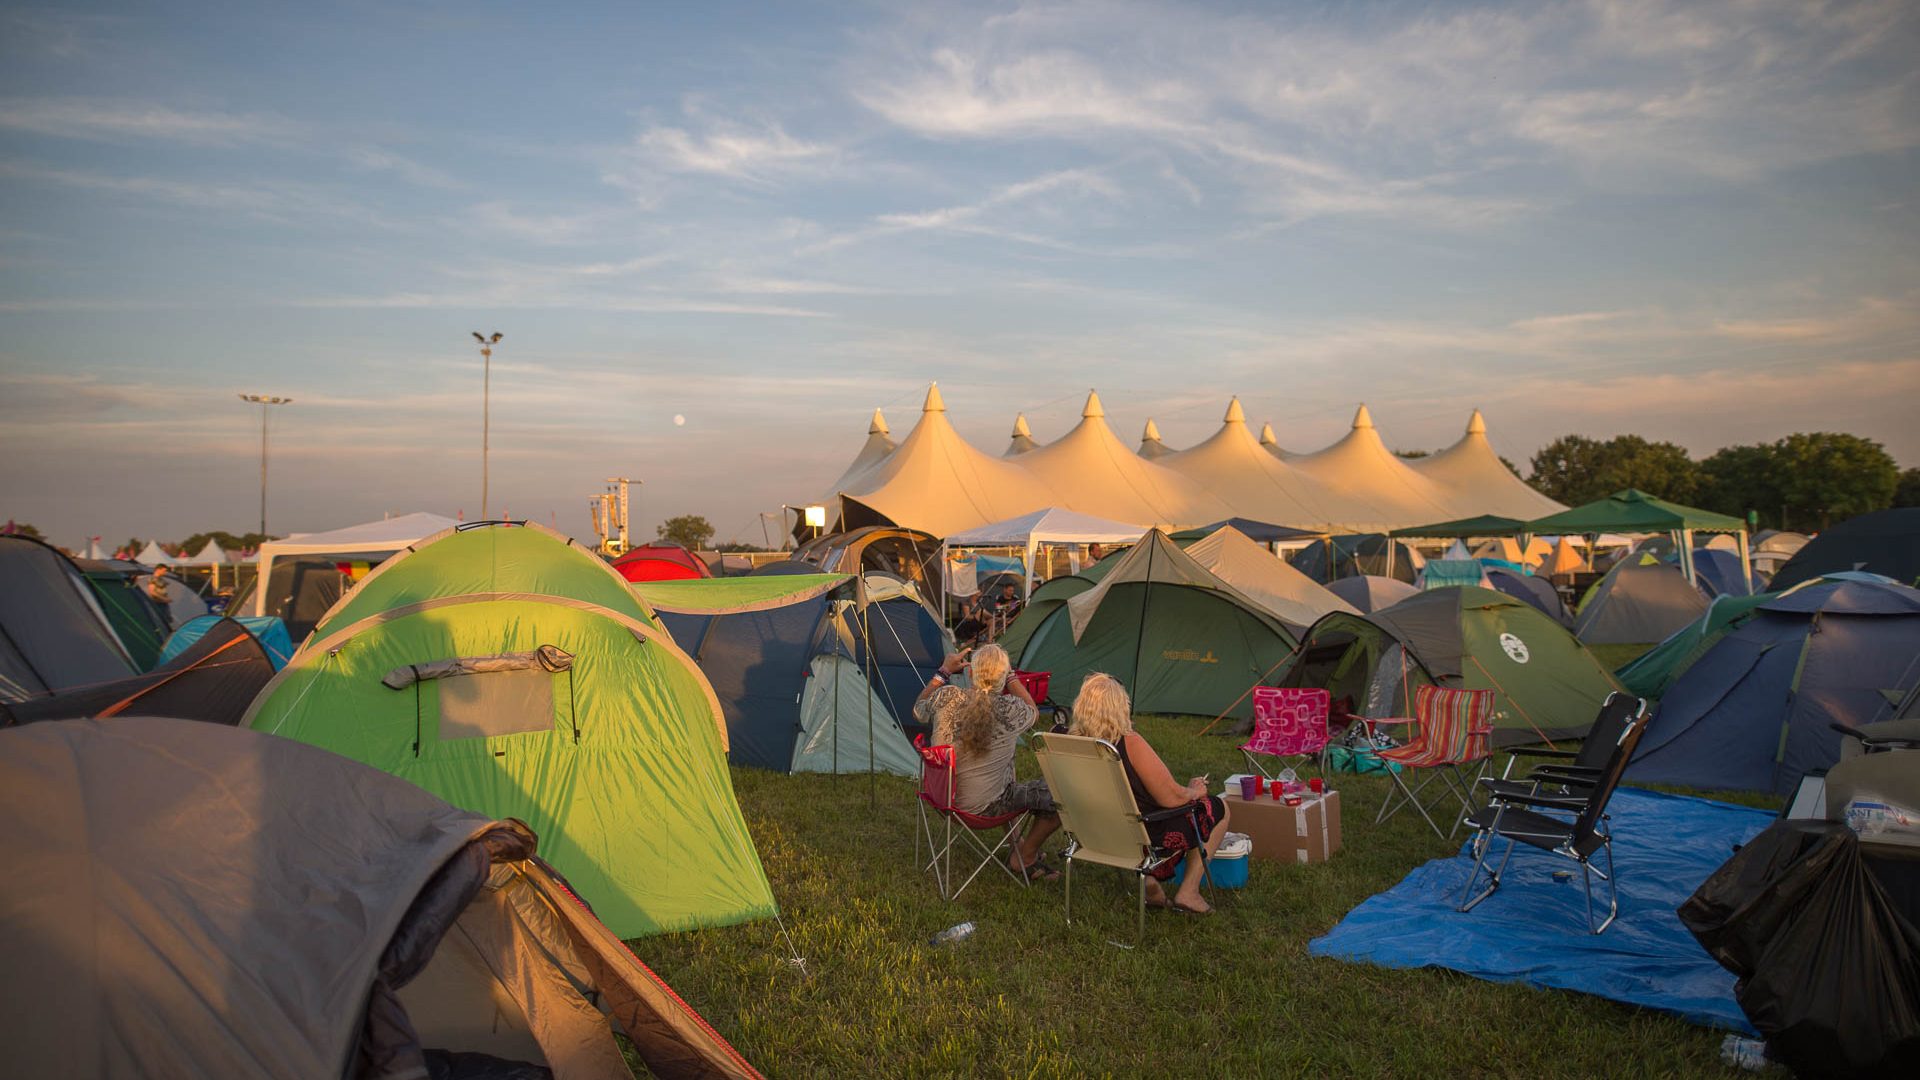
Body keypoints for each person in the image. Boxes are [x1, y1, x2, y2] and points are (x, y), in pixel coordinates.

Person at [1070, 673, 1228, 915]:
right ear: (1120, 707)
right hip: (1143, 835)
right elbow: (1171, 797)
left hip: (1097, 831)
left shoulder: (1070, 743)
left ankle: (1150, 882)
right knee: (1217, 807)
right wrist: (1194, 790)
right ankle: (1188, 892)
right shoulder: (1128, 742)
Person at [912, 643, 1061, 880]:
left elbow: (919, 710)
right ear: (1005, 678)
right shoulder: (1010, 709)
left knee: (1003, 770)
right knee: (1060, 793)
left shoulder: (946, 696)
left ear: (970, 673)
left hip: (943, 800)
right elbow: (1033, 711)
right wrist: (1011, 677)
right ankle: (1025, 856)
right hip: (986, 809)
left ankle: (1016, 842)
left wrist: (943, 671)